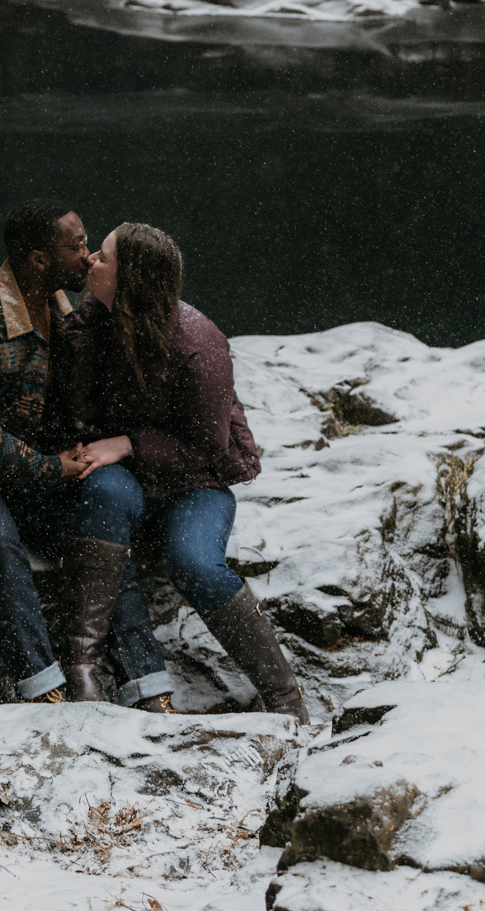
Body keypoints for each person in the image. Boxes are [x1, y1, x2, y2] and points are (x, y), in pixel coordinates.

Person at [0, 200, 175, 709]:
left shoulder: (65, 313)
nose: (89, 257)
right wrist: (50, 468)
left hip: (26, 476)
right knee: (0, 543)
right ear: (40, 260)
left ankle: (147, 684)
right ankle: (42, 688)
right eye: (77, 246)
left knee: (102, 535)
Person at [57, 220, 309, 722]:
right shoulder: (93, 318)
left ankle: (283, 698)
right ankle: (79, 667)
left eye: (103, 257)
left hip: (195, 484)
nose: (90, 260)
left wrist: (128, 443)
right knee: (102, 489)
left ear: (130, 281)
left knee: (192, 561)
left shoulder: (199, 342)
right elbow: (77, 412)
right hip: (124, 480)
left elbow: (210, 449)